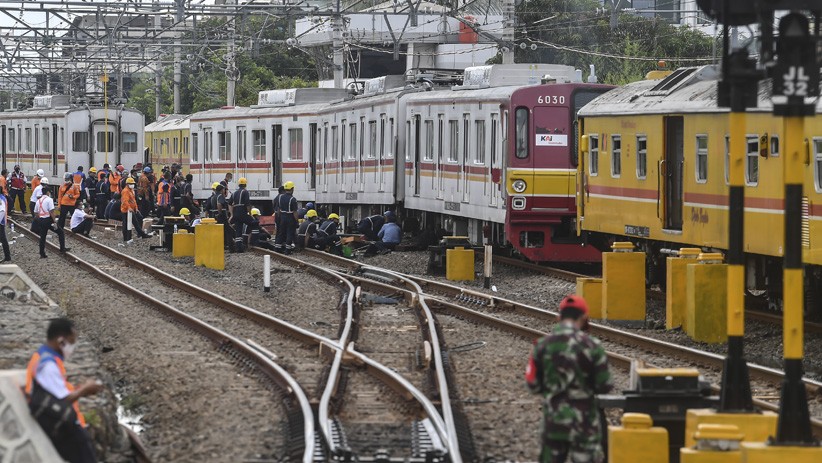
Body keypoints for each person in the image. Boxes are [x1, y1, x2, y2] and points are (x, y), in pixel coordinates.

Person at [525, 295, 612, 463]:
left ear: (559, 317)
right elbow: (605, 385)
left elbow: (532, 385)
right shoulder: (593, 346)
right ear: (584, 317)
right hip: (585, 423)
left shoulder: (542, 346)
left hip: (553, 421)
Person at [25, 318, 103, 463]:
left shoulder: (43, 356)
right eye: (71, 342)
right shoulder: (48, 365)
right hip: (62, 427)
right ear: (61, 341)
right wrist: (85, 389)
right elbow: (62, 399)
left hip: (61, 422)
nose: (72, 347)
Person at [33, 182, 70, 258]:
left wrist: (39, 219)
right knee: (60, 232)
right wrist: (55, 221)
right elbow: (51, 211)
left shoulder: (38, 201)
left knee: (42, 237)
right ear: (47, 192)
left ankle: (42, 253)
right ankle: (62, 248)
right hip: (48, 220)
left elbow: (35, 212)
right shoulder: (49, 200)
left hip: (41, 220)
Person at [120, 177, 151, 243]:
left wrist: (136, 208)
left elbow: (133, 201)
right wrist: (129, 208)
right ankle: (127, 237)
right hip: (126, 210)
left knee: (138, 221)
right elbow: (125, 201)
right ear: (127, 184)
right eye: (131, 183)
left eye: (133, 183)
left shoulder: (131, 190)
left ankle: (140, 234)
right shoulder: (125, 191)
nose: (132, 185)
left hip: (132, 210)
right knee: (126, 224)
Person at [229, 177, 254, 252]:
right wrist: (250, 214)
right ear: (245, 184)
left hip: (236, 213)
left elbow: (229, 203)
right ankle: (249, 241)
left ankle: (239, 248)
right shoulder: (245, 192)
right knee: (254, 223)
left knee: (238, 230)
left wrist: (232, 214)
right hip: (242, 212)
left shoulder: (234, 193)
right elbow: (247, 204)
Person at [274, 181, 298, 254]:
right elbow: (295, 212)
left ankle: (277, 247)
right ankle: (288, 250)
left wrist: (279, 217)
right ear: (292, 189)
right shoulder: (293, 199)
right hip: (290, 217)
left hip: (282, 216)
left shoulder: (280, 197)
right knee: (289, 233)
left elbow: (278, 209)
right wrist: (296, 220)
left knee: (281, 232)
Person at [0, 188, 10, 262]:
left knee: (3, 239)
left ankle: (7, 256)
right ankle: (7, 256)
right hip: (1, 221)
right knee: (3, 239)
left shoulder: (1, 199)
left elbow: (2, 211)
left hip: (0, 222)